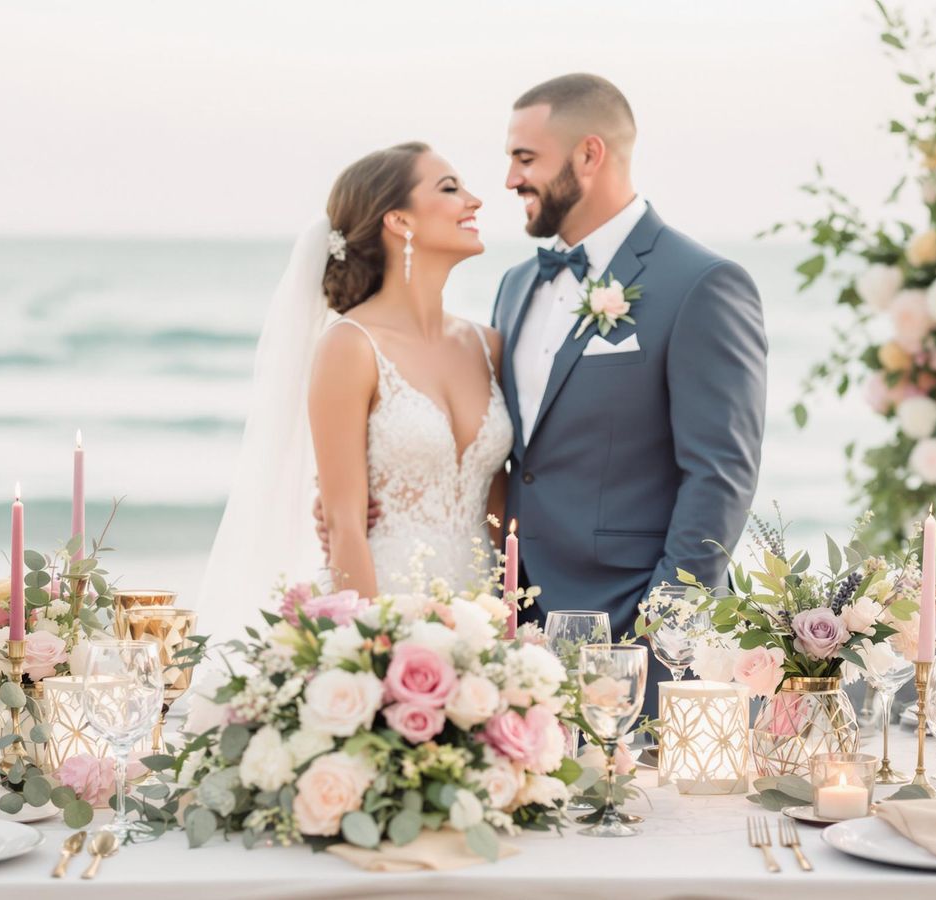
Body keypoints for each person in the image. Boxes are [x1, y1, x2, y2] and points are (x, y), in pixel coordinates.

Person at [495, 74, 767, 703]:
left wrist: (660, 632)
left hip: (632, 624)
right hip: (521, 633)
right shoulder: (514, 286)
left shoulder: (702, 283)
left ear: (589, 155)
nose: (510, 179)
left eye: (525, 158)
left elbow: (720, 474)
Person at [198, 142, 511, 640]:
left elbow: (499, 505)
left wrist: (508, 623)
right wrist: (375, 652)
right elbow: (344, 525)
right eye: (450, 188)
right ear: (399, 221)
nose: (474, 201)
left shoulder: (487, 345)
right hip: (385, 604)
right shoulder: (350, 346)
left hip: (483, 614)